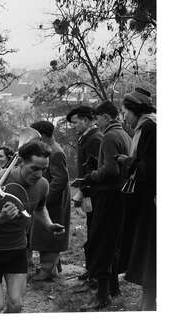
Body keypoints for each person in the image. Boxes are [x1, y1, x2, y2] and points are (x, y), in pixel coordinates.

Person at [0, 140, 65, 313]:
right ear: (20, 162)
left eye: (43, 169)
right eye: (34, 168)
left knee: (16, 305)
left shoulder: (42, 185)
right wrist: (0, 218)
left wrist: (48, 225)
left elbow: (39, 207)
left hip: (17, 249)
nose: (39, 174)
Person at [80, 101, 131, 310]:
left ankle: (102, 296)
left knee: (101, 243)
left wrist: (90, 175)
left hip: (108, 196)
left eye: (98, 117)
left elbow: (110, 170)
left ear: (106, 118)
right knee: (113, 244)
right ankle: (113, 288)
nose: (97, 121)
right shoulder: (125, 135)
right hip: (121, 197)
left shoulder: (109, 136)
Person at [117, 88, 156, 310]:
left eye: (125, 112)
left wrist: (127, 162)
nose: (124, 117)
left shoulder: (149, 128)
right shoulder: (148, 126)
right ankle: (147, 297)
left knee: (149, 253)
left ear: (135, 110)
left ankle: (149, 301)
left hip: (150, 203)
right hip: (147, 201)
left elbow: (149, 169)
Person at [29, 121, 71, 281]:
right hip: (50, 200)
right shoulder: (49, 149)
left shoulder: (55, 152)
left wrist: (44, 199)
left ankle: (47, 269)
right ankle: (51, 268)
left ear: (43, 135)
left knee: (50, 235)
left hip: (54, 202)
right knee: (44, 234)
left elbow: (60, 179)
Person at [66, 105, 103, 285]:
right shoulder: (86, 138)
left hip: (96, 194)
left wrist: (82, 191)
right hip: (89, 193)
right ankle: (92, 270)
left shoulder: (95, 139)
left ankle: (95, 273)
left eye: (75, 122)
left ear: (87, 120)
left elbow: (96, 170)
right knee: (91, 230)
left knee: (96, 233)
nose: (73, 126)